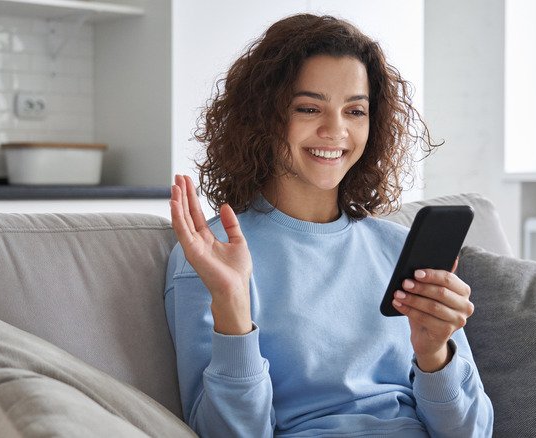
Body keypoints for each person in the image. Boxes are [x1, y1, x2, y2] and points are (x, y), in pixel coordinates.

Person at [165, 13, 493, 437]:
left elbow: (472, 433)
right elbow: (229, 433)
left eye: (355, 111)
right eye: (308, 108)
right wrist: (232, 306)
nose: (335, 130)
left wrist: (434, 354)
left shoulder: (396, 247)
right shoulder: (209, 257)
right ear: (263, 117)